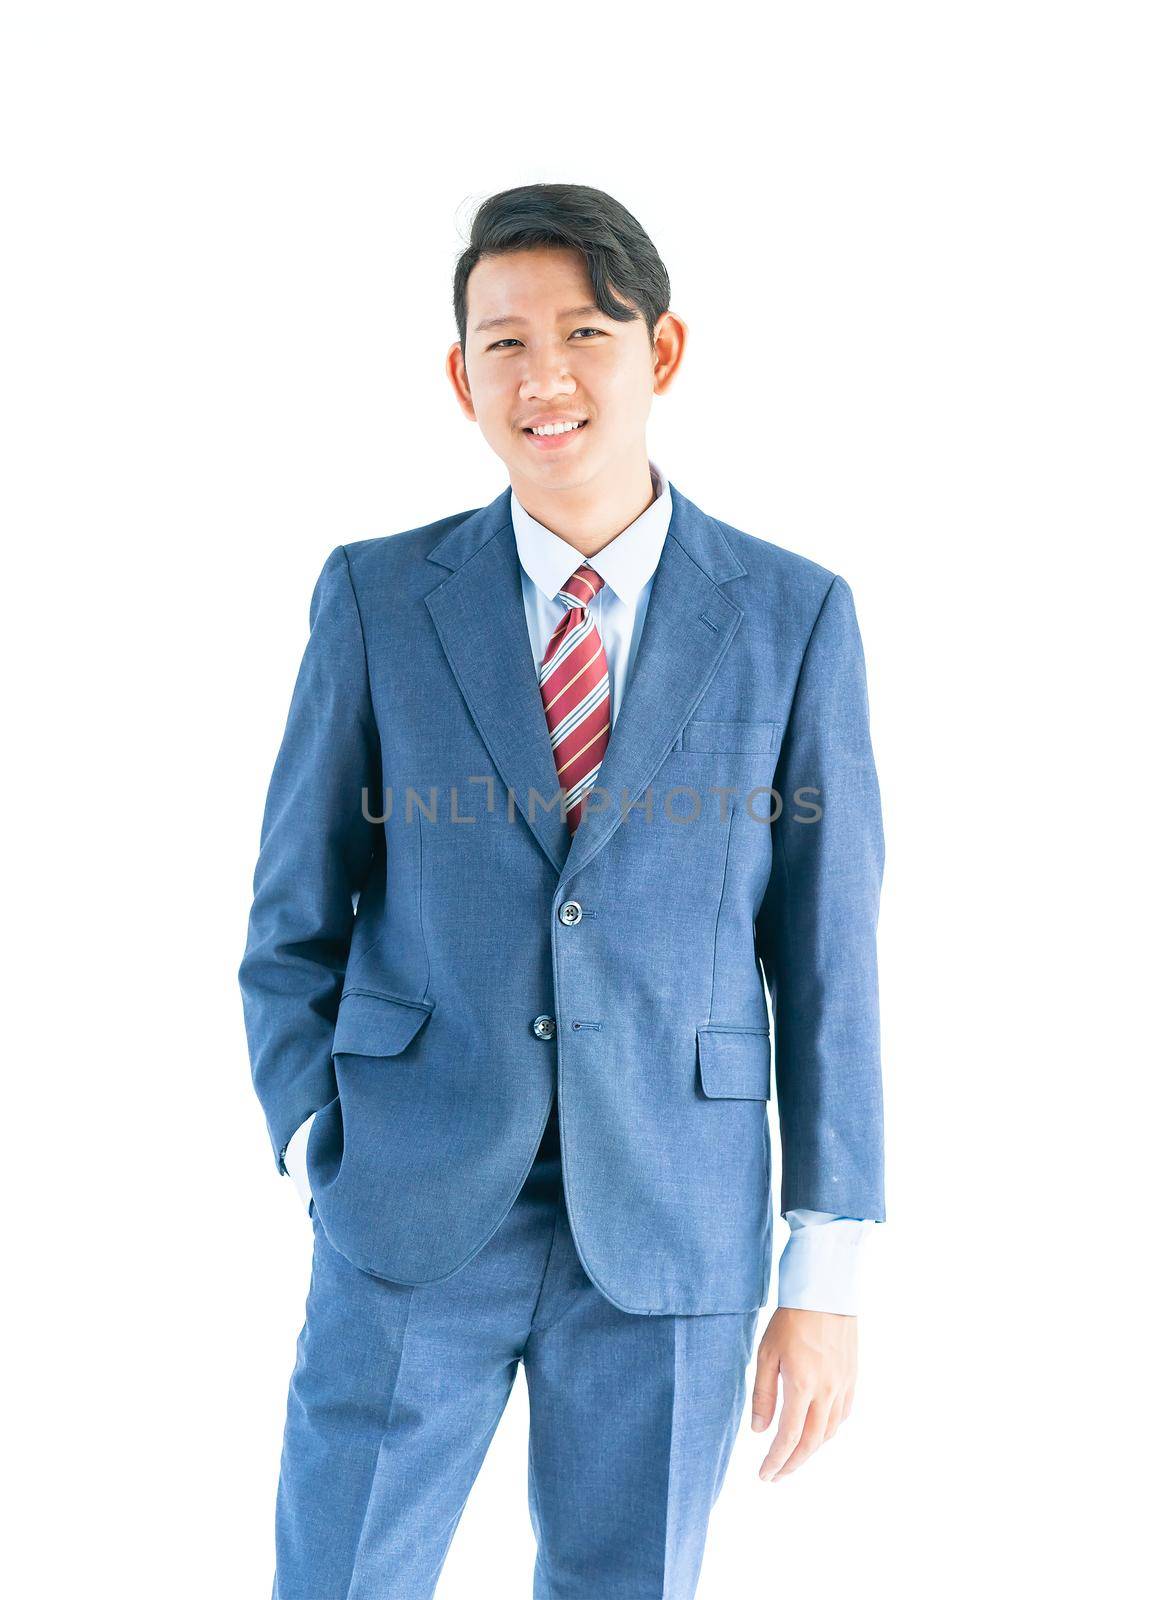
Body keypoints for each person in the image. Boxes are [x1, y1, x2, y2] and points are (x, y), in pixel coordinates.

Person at [240, 181, 885, 1599]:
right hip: (408, 1205)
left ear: (659, 353)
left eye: (584, 331)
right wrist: (316, 1145)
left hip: (672, 1216)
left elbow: (828, 959)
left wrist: (822, 1275)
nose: (544, 376)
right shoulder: (375, 598)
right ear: (459, 374)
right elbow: (293, 917)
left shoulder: (792, 616)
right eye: (504, 341)